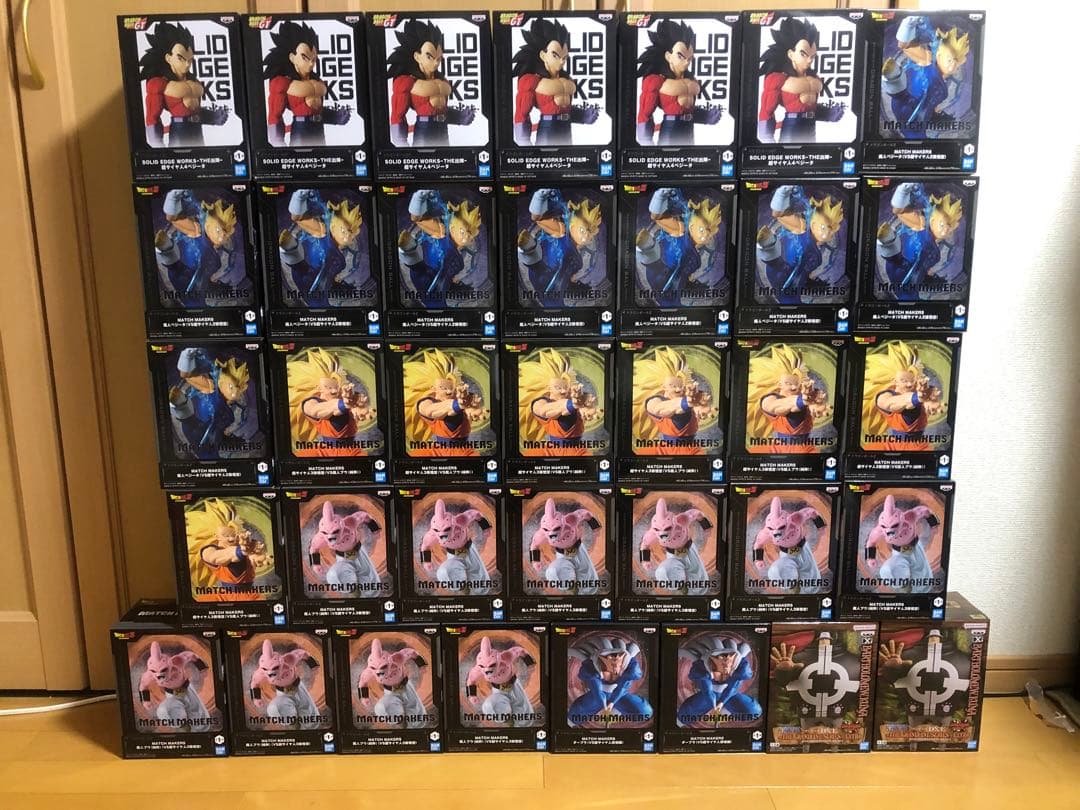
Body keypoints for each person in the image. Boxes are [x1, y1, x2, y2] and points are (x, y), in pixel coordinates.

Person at [387, 19, 475, 147]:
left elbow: (440, 109)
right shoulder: (406, 82)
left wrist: (459, 117)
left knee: (446, 158)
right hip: (424, 131)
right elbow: (397, 114)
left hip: (443, 130)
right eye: (430, 57)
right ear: (417, 56)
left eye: (439, 58)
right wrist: (400, 142)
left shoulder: (442, 80)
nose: (436, 63)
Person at [139, 21, 227, 147]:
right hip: (179, 133)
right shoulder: (159, 83)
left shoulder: (194, 81)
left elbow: (194, 110)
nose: (187, 64)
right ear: (168, 58)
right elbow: (152, 118)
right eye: (181, 58)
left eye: (190, 60)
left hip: (197, 132)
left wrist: (213, 117)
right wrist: (157, 146)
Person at [512, 17, 599, 146]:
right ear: (543, 55)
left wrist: (582, 116)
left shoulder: (567, 79)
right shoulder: (532, 81)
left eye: (565, 57)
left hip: (566, 128)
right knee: (547, 157)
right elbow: (522, 112)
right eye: (555, 55)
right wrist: (523, 139)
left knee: (567, 157)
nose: (562, 61)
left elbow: (564, 108)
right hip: (548, 128)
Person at [263, 20, 350, 147]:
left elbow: (316, 109)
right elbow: (274, 114)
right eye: (305, 58)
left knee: (323, 158)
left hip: (319, 130)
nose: (311, 63)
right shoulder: (282, 82)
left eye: (314, 59)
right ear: (292, 57)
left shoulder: (317, 80)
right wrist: (277, 141)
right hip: (300, 130)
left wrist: (335, 117)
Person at [757, 17, 843, 144]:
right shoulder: (778, 79)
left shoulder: (815, 78)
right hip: (792, 128)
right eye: (803, 54)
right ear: (791, 54)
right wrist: (767, 138)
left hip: (811, 127)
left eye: (813, 56)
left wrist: (827, 114)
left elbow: (809, 106)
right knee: (789, 156)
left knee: (811, 156)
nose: (809, 60)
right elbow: (766, 111)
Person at [635, 19, 721, 146]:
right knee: (668, 158)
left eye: (690, 58)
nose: (686, 62)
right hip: (670, 130)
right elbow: (645, 113)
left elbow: (687, 109)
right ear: (668, 56)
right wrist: (645, 140)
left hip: (689, 130)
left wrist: (705, 116)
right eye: (681, 56)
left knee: (689, 158)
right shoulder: (656, 80)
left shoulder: (691, 79)